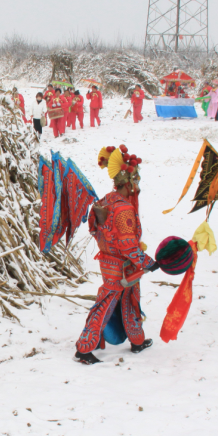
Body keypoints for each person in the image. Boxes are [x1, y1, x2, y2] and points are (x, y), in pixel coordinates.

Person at [74, 147, 153, 364]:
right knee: (107, 303)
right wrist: (147, 262)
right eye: (136, 179)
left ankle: (137, 340)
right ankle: (84, 347)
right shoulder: (124, 208)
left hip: (110, 262)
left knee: (130, 299)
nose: (137, 185)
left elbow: (93, 228)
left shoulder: (105, 200)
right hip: (122, 264)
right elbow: (128, 245)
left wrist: (108, 245)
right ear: (129, 182)